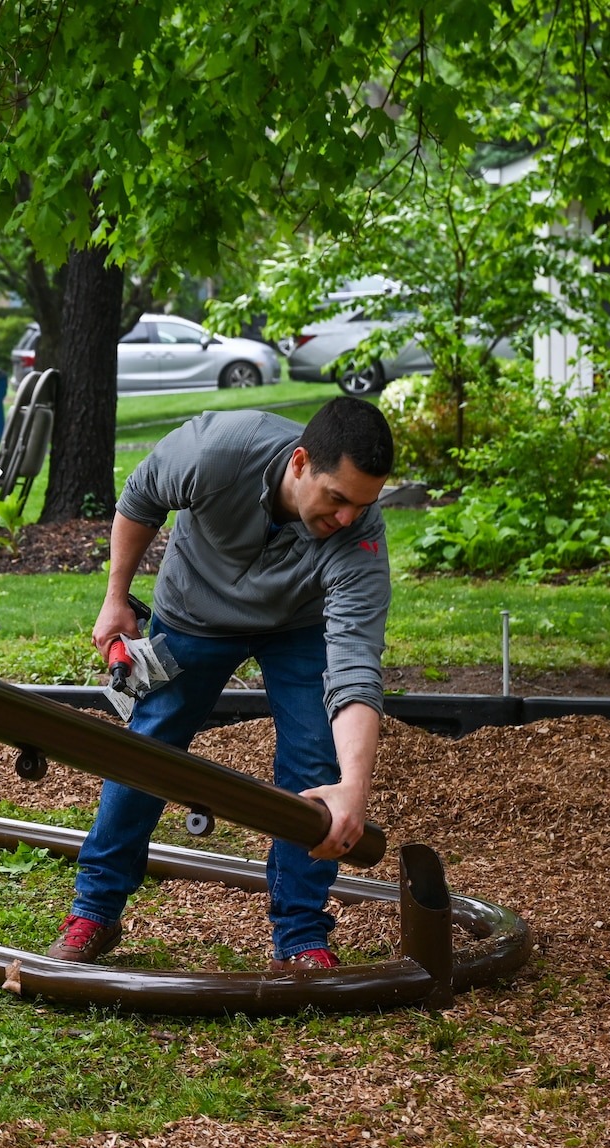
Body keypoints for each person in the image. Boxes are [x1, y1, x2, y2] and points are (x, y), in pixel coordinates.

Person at [48, 398, 394, 970]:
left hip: (298, 627)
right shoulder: (218, 450)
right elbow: (141, 498)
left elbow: (355, 662)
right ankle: (95, 909)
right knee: (146, 748)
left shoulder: (358, 533)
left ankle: (302, 937)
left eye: (364, 504)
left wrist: (354, 786)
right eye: (337, 499)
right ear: (301, 463)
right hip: (193, 612)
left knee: (316, 766)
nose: (347, 519)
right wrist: (115, 598)